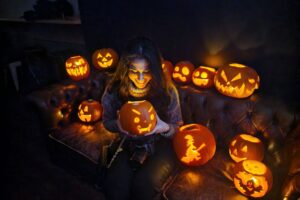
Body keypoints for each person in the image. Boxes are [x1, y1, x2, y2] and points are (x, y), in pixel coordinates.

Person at [100, 37, 183, 200]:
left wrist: (164, 128)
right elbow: (106, 122)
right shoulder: (114, 89)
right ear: (125, 68)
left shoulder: (168, 91)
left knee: (143, 186)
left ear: (156, 70)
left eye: (146, 72)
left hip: (161, 144)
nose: (140, 79)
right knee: (115, 187)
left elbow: (178, 128)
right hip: (128, 143)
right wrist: (117, 125)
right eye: (134, 71)